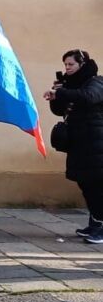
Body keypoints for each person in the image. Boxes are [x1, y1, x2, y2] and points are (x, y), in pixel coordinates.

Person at [45, 49, 103, 243]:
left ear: (82, 64)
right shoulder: (71, 86)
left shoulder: (96, 82)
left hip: (97, 144)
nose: (67, 68)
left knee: (96, 186)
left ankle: (101, 227)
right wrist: (56, 96)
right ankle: (95, 224)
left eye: (71, 64)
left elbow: (88, 97)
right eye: (65, 65)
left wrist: (62, 92)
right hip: (79, 143)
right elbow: (59, 110)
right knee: (85, 183)